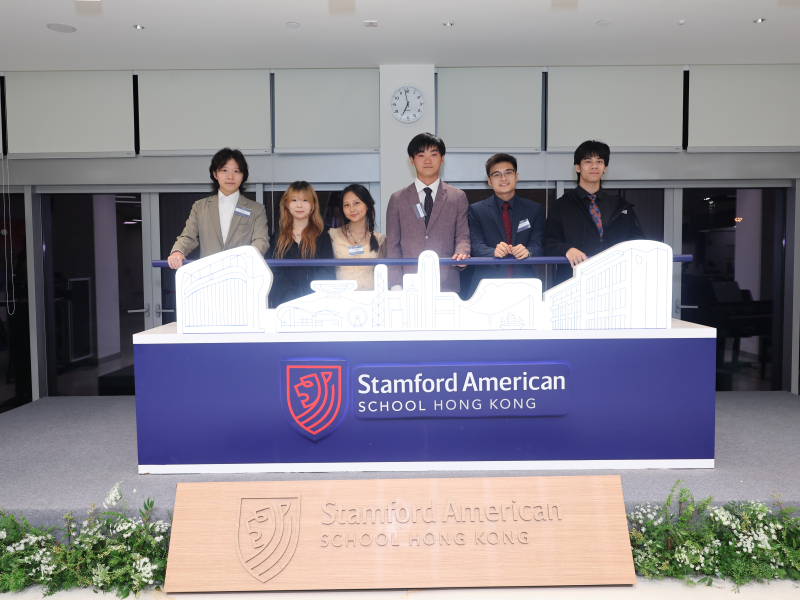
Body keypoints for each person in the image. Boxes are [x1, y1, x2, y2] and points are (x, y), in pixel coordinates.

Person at [543, 140, 644, 285]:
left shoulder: (620, 206)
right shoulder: (561, 205)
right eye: (588, 161)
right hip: (573, 282)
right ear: (577, 167)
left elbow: (638, 242)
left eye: (599, 161)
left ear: (605, 168)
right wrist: (567, 249)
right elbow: (548, 243)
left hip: (615, 280)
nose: (594, 166)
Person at [385, 132, 470, 293]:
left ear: (442, 159)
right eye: (421, 155)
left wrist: (463, 251)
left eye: (433, 154)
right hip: (408, 282)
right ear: (412, 160)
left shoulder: (458, 197)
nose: (428, 160)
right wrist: (396, 284)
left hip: (446, 280)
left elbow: (463, 235)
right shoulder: (397, 198)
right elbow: (393, 245)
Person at [167, 148, 269, 269]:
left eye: (236, 171)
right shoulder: (199, 207)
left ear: (243, 176)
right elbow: (188, 237)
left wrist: (246, 258)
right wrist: (177, 251)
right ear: (215, 174)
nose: (230, 176)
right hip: (209, 273)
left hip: (241, 272)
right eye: (224, 170)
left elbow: (261, 241)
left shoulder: (257, 209)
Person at [467, 153, 544, 295]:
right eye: (497, 174)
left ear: (516, 176)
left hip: (525, 284)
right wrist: (493, 252)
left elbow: (538, 245)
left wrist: (528, 251)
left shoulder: (533, 209)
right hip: (486, 285)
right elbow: (475, 246)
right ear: (489, 181)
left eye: (508, 173)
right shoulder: (476, 210)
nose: (503, 178)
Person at [266, 181, 334, 307]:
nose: (299, 205)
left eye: (305, 200)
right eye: (294, 200)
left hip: (316, 305)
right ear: (287, 204)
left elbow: (327, 271)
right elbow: (274, 274)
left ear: (313, 205)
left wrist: (309, 299)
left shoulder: (322, 237)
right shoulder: (276, 239)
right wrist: (292, 301)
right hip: (285, 307)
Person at [328, 184, 386, 291]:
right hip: (340, 297)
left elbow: (383, 276)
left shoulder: (380, 239)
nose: (352, 209)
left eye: (356, 203)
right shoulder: (332, 235)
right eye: (346, 205)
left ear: (367, 205)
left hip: (370, 297)